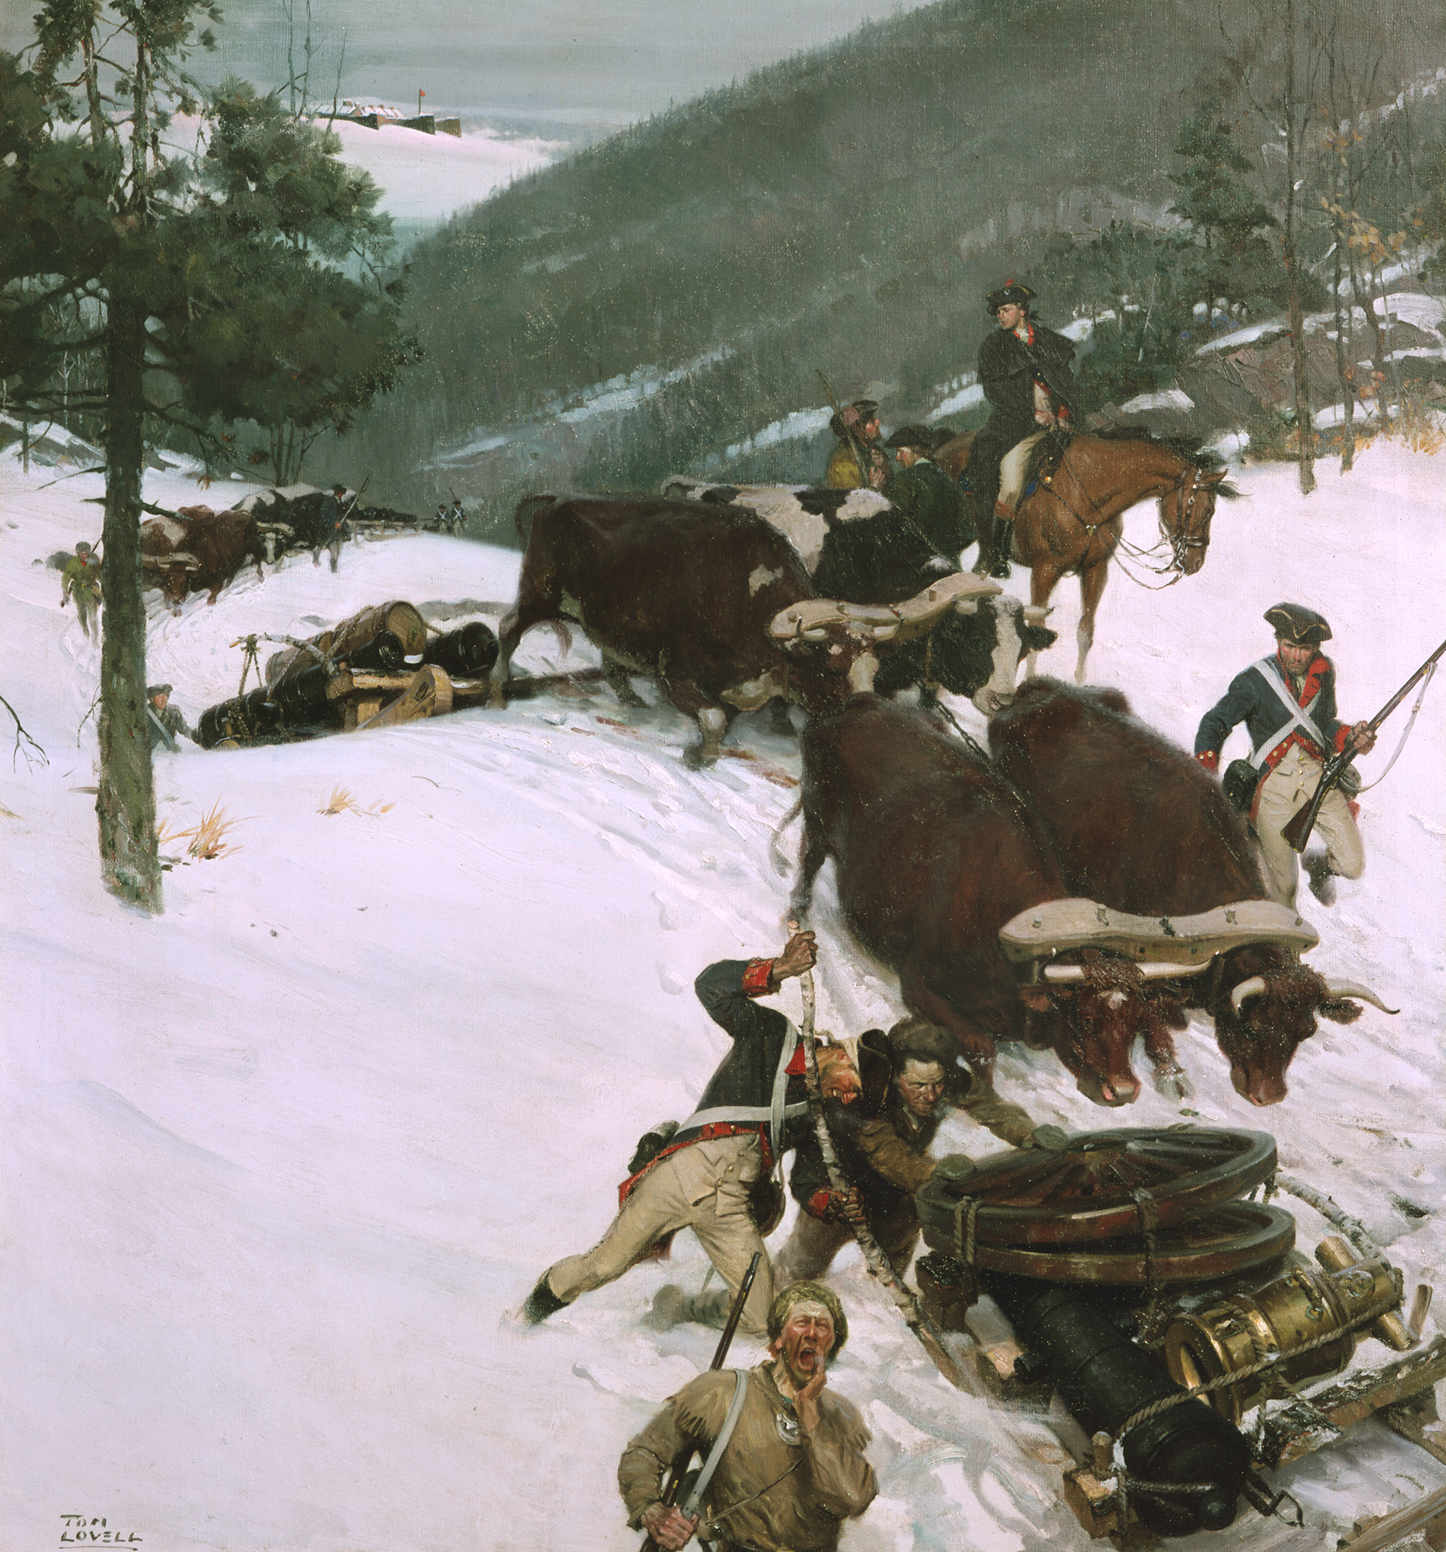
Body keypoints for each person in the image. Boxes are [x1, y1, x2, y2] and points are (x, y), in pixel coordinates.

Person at [521, 932, 860, 1337]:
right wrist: (779, 969)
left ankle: (683, 1307)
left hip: (730, 1206)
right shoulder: (772, 1033)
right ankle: (525, 1317)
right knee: (603, 1266)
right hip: (679, 1177)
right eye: (853, 1082)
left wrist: (833, 1201)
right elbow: (710, 987)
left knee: (759, 1317)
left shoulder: (817, 1116)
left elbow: (807, 1180)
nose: (850, 1096)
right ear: (842, 1054)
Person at [776, 1018, 1045, 1286]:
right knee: (796, 1272)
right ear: (895, 1075)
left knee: (889, 1290)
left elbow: (988, 1104)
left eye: (936, 1084)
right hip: (839, 1197)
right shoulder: (869, 1092)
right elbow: (887, 1152)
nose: (930, 1096)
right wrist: (933, 1172)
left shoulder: (942, 1077)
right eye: (916, 1085)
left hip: (896, 1205)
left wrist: (1028, 1134)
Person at [618, 1280, 877, 1552]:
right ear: (777, 1339)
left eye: (822, 1326)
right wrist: (651, 1510)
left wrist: (810, 1415)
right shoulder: (722, 1392)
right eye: (801, 1322)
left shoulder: (840, 1415)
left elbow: (855, 1497)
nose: (812, 1333)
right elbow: (644, 1453)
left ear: (832, 1343)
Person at [1195, 602, 1376, 908]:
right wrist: (1205, 774)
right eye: (1290, 645)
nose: (1296, 655)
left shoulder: (1323, 673)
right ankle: (1288, 955)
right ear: (1278, 641)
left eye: (1304, 648)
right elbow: (1216, 721)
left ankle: (1319, 865)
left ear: (1314, 648)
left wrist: (1351, 737)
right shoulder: (1256, 681)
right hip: (1272, 791)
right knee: (1285, 888)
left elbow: (1323, 726)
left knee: (1353, 864)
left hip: (1318, 781)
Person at [969, 281, 1076, 578]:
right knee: (1012, 484)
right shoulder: (993, 347)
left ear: (1022, 310)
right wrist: (1033, 414)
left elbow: (1066, 383)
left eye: (1006, 310)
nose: (1001, 316)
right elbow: (996, 393)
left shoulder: (1050, 341)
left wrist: (1064, 412)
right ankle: (999, 555)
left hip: (1059, 425)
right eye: (998, 312)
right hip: (1018, 428)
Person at [882, 425, 976, 562]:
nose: (897, 458)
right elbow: (968, 532)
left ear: (917, 453)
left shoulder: (904, 480)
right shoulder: (947, 480)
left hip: (918, 565)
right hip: (949, 566)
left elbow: (893, 528)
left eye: (900, 452)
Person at [823, 400, 891, 492]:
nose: (877, 421)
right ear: (859, 429)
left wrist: (884, 466)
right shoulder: (843, 460)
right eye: (871, 420)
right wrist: (873, 489)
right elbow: (849, 501)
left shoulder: (876, 450)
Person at [60, 541, 103, 639]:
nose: (84, 555)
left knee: (92, 616)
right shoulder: (73, 563)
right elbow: (66, 578)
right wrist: (65, 593)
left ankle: (95, 637)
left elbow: (101, 574)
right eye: (81, 553)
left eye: (86, 553)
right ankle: (85, 634)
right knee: (82, 615)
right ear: (78, 553)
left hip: (91, 590)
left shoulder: (94, 559)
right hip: (78, 592)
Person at [145, 685, 195, 752]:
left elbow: (185, 729)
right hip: (150, 754)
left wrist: (196, 737)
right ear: (152, 699)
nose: (163, 699)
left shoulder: (173, 713)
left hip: (169, 755)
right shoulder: (145, 714)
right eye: (159, 696)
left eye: (165, 695)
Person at [314, 484, 350, 571]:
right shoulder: (329, 501)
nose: (342, 495)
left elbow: (339, 516)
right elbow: (323, 516)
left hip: (338, 532)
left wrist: (340, 524)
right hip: (330, 531)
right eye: (341, 493)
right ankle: (332, 570)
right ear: (339, 493)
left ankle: (334, 569)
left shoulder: (339, 503)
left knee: (337, 553)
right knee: (334, 552)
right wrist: (334, 523)